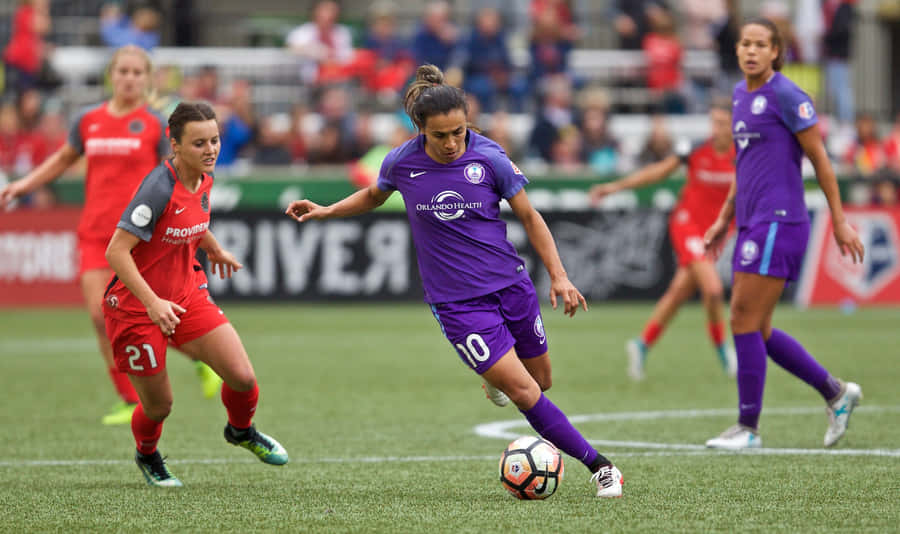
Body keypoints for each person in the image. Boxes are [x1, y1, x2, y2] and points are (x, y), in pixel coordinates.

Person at [285, 64, 624, 498]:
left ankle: (494, 378)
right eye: (440, 135)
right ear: (421, 129)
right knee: (524, 391)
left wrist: (559, 276)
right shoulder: (402, 162)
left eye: (458, 133)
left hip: (511, 286)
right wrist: (329, 210)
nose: (450, 143)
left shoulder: (490, 158)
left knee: (541, 381)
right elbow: (374, 194)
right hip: (458, 304)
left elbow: (529, 216)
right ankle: (601, 467)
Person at [0, 46, 221, 426]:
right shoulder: (89, 120)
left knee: (152, 315)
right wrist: (24, 185)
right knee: (100, 316)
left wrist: (199, 231)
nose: (129, 78)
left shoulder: (155, 124)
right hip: (95, 234)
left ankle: (201, 359)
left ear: (146, 79)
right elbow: (64, 159)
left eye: (137, 72)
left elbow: (176, 180)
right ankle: (129, 399)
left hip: (142, 239)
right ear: (111, 75)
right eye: (123, 71)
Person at [103, 101, 288, 487]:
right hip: (136, 308)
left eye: (215, 140)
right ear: (175, 145)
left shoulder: (204, 178)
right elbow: (116, 251)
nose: (210, 150)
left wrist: (214, 248)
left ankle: (241, 431)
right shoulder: (158, 189)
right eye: (199, 143)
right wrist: (153, 303)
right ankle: (148, 454)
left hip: (187, 293)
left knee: (242, 377)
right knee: (159, 406)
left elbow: (192, 219)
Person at [702, 18, 864, 450]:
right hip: (751, 221)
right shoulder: (740, 95)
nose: (751, 51)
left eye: (761, 44)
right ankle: (835, 392)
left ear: (776, 51)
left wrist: (840, 220)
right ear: (737, 50)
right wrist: (723, 218)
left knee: (742, 317)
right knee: (758, 327)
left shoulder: (788, 96)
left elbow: (820, 159)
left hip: (780, 220)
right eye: (745, 43)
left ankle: (748, 428)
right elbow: (744, 166)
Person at [589, 101, 737, 381]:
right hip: (687, 224)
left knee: (679, 292)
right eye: (713, 122)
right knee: (714, 290)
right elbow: (656, 172)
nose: (716, 129)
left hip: (715, 234)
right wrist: (614, 187)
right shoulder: (695, 150)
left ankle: (641, 345)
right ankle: (723, 351)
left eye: (722, 123)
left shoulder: (744, 155)